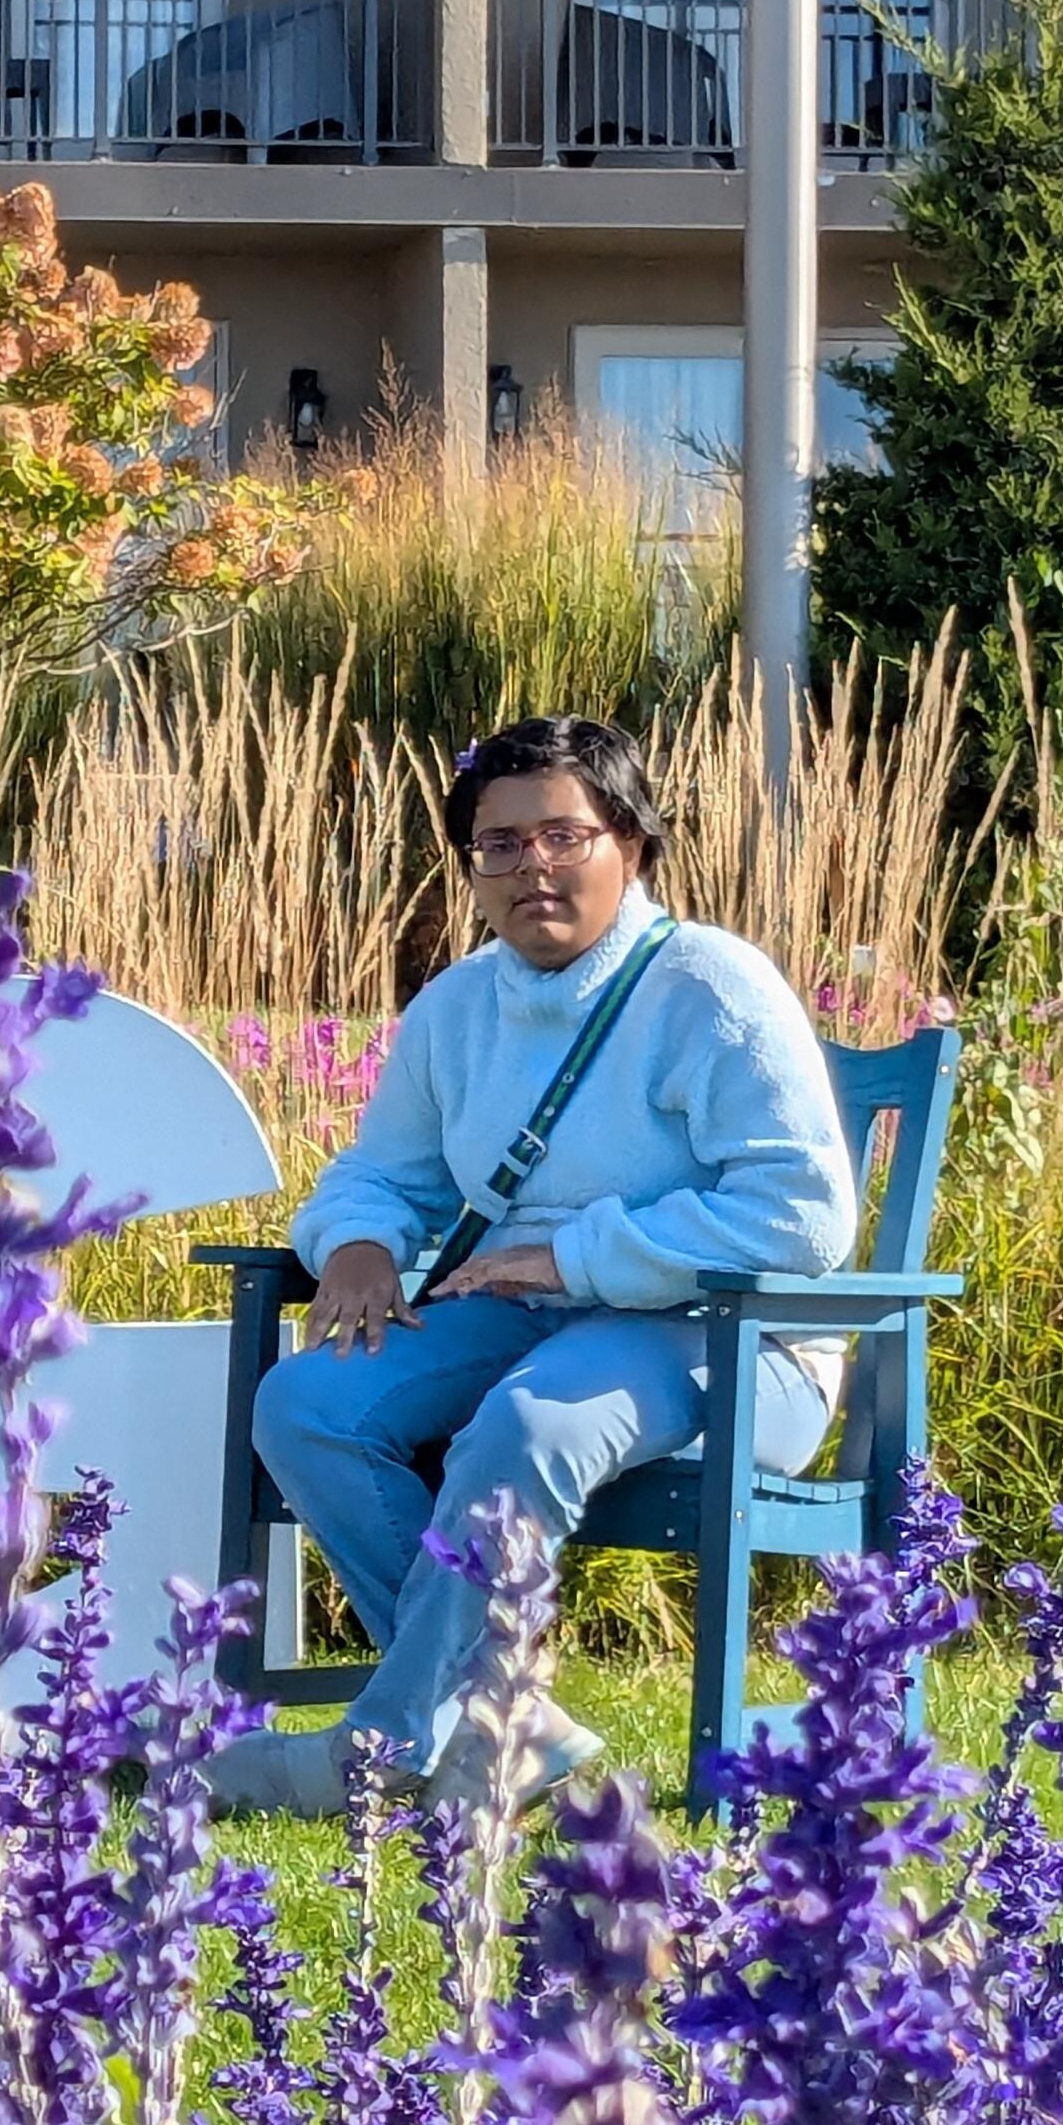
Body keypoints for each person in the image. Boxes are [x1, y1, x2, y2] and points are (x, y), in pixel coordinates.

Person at [207, 715, 860, 1811]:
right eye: (499, 845)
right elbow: (385, 1174)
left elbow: (801, 1215)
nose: (531, 868)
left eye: (563, 836)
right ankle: (502, 1718)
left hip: (729, 1340)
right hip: (532, 1323)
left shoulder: (711, 987)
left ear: (631, 845)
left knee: (527, 1422)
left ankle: (381, 1749)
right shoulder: (459, 1007)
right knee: (309, 1401)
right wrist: (357, 1247)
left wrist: (570, 1257)